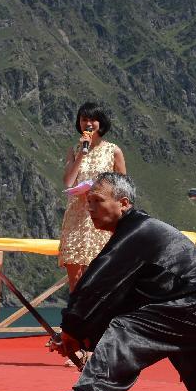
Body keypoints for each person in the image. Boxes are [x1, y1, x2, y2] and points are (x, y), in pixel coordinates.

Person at [34, 172, 196, 391]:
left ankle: (93, 389)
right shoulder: (138, 230)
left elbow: (96, 285)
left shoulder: (137, 232)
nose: (90, 208)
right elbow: (122, 299)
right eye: (89, 201)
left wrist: (72, 329)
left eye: (98, 200)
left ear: (124, 203)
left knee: (129, 327)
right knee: (166, 327)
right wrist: (78, 335)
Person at [59, 102, 126, 291]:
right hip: (77, 215)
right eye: (83, 119)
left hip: (102, 217)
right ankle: (75, 317)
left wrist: (101, 190)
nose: (88, 123)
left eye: (92, 119)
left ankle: (98, 318)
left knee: (99, 274)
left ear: (101, 123)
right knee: (75, 275)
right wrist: (82, 152)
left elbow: (123, 187)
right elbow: (68, 182)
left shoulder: (113, 151)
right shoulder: (74, 149)